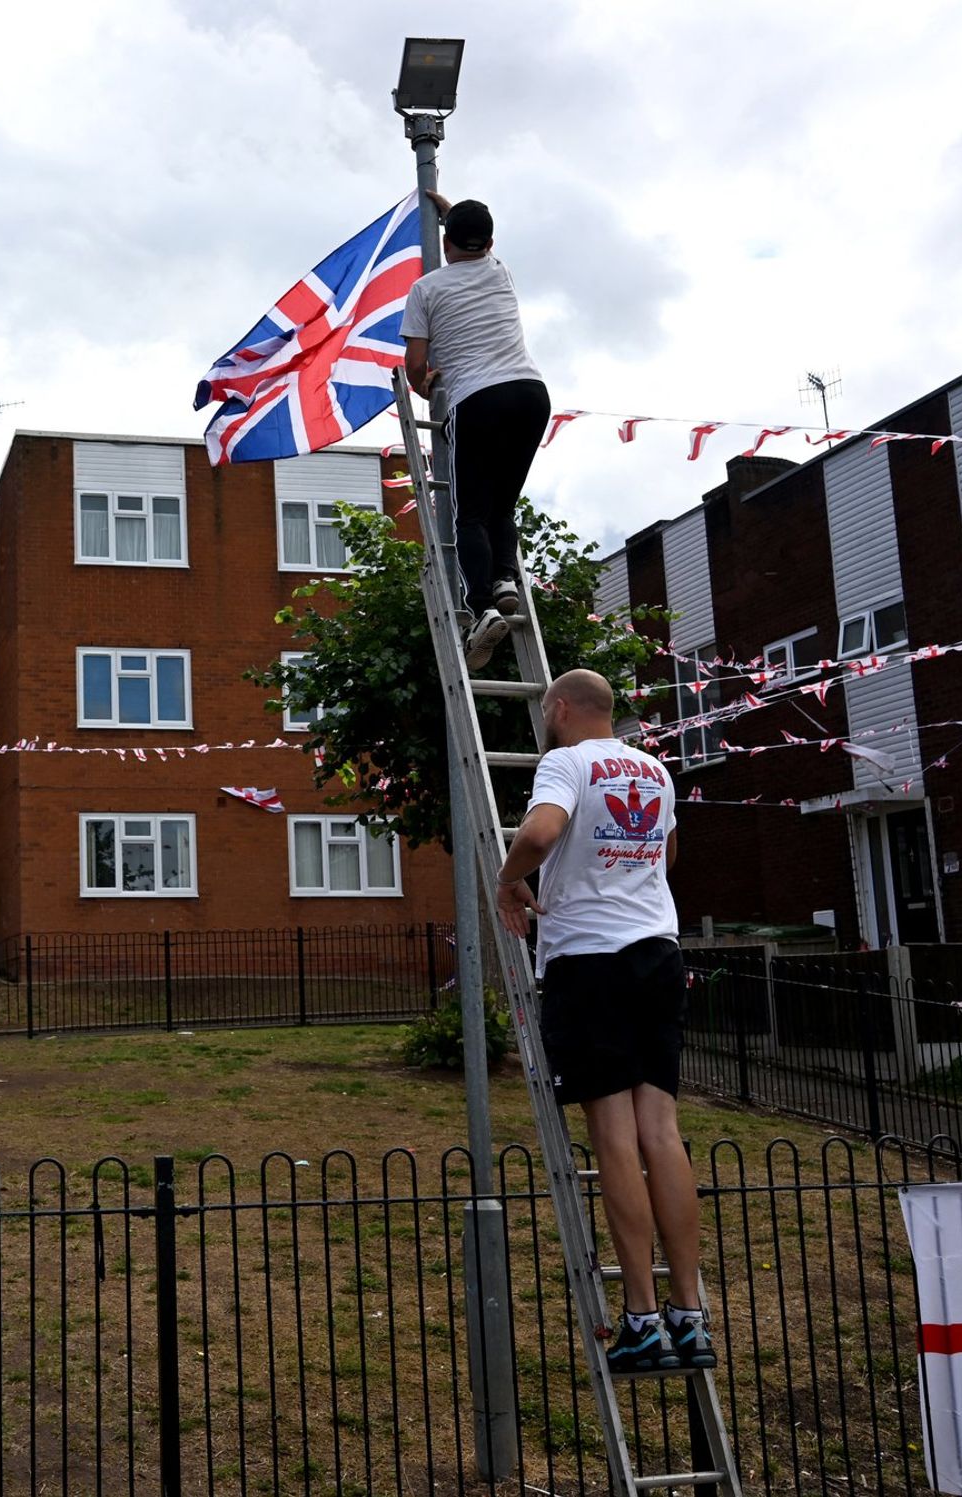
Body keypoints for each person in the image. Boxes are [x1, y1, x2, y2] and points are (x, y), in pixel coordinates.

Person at [493, 669, 711, 1375]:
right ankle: (690, 1312)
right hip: (658, 955)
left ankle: (642, 1318)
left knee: (615, 1139)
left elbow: (542, 829)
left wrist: (509, 879)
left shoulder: (565, 761)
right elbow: (668, 855)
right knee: (662, 1134)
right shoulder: (653, 767)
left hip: (591, 962)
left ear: (558, 709)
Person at [399, 189, 550, 671]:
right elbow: (472, 237)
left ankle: (482, 607)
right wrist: (451, 212)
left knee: (470, 512)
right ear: (488, 241)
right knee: (503, 500)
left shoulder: (427, 289)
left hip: (478, 398)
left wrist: (426, 388)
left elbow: (416, 365)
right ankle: (506, 581)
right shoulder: (500, 272)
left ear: (447, 242)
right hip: (530, 393)